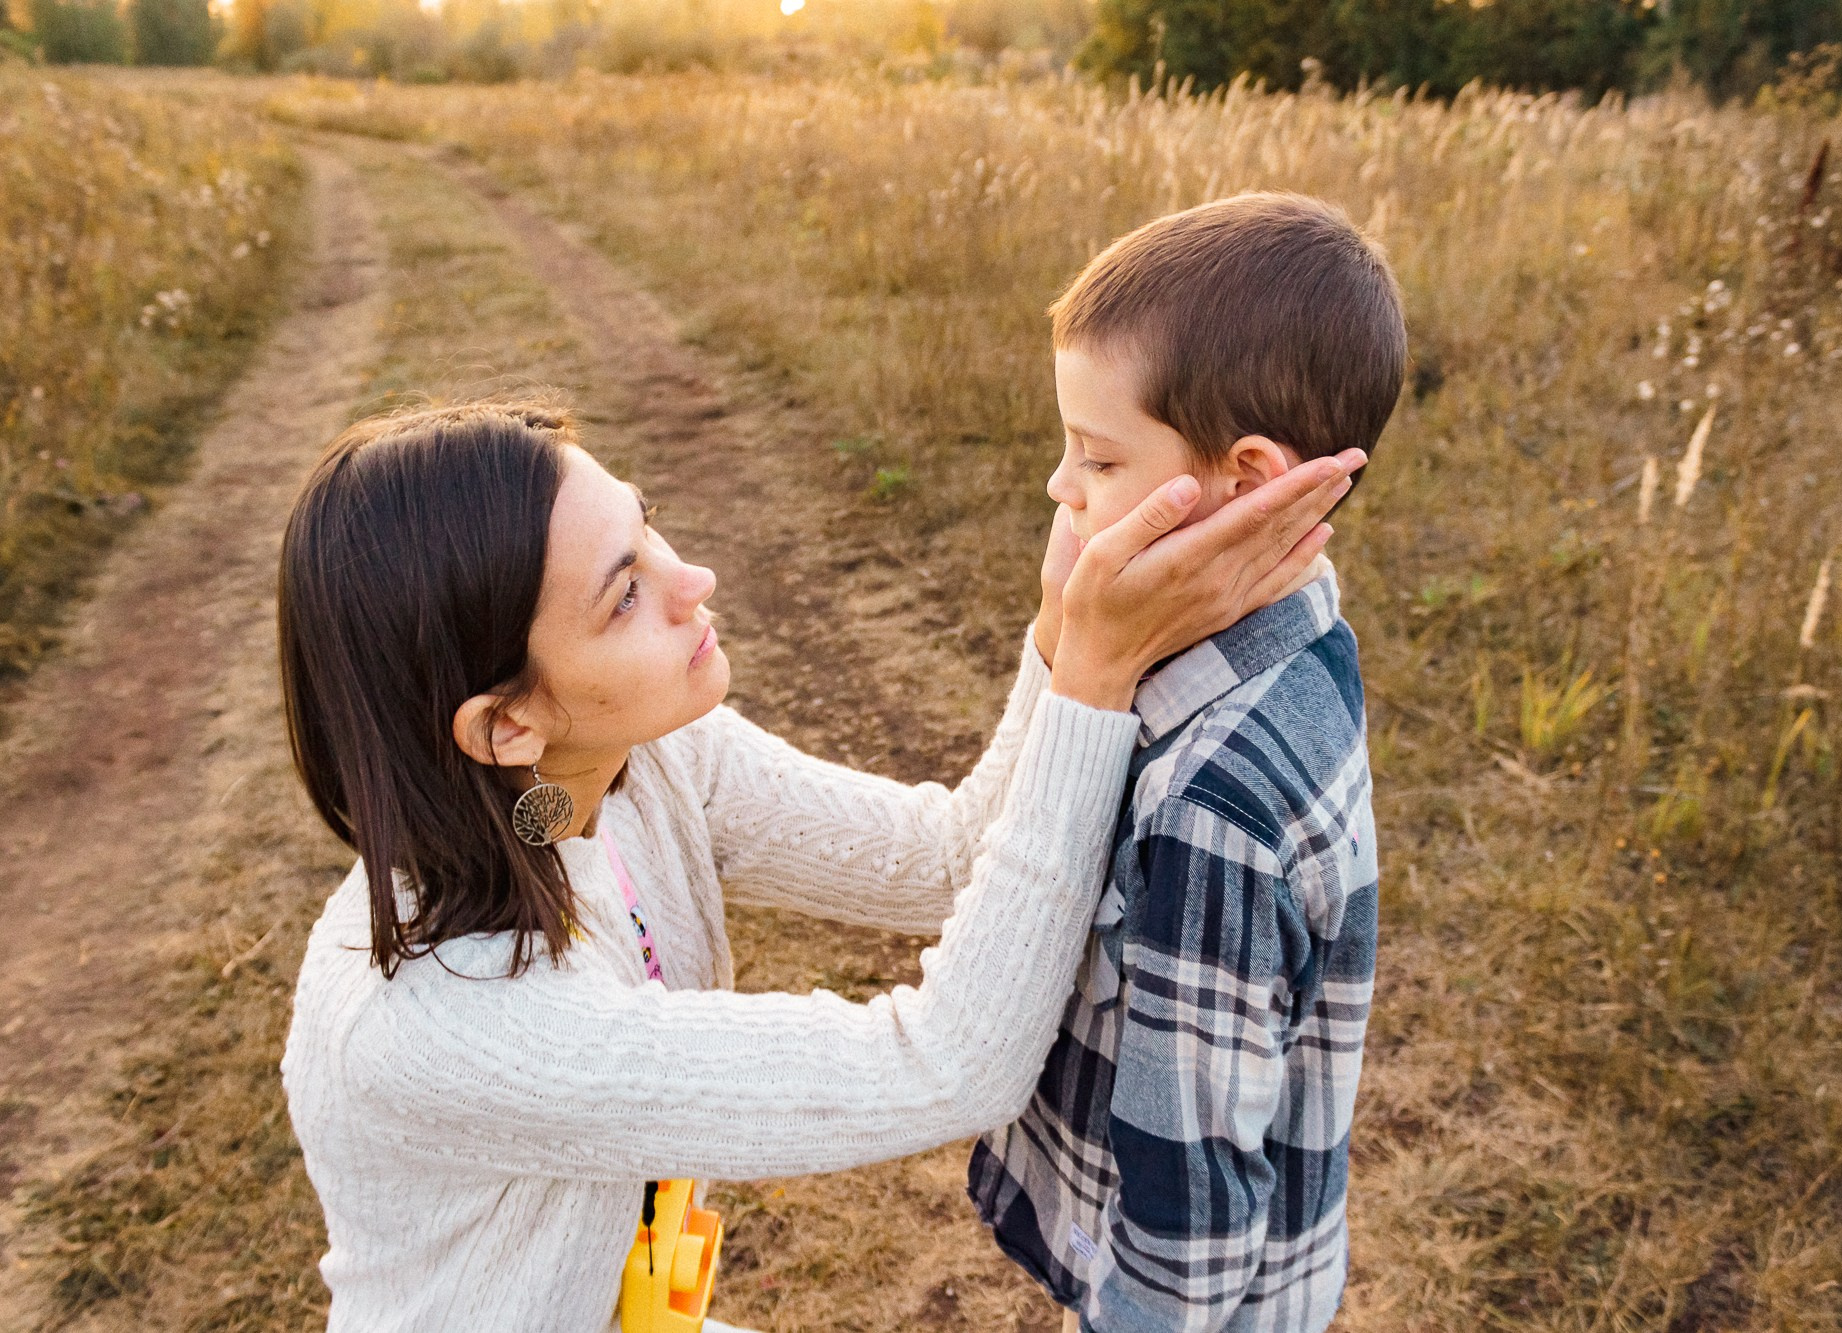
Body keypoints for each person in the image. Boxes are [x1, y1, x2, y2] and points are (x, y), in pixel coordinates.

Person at [274, 395, 1361, 1332]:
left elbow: (940, 857)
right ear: (506, 725)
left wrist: (1058, 620)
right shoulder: (443, 1019)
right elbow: (946, 1066)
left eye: (645, 525)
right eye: (623, 595)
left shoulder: (630, 768)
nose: (689, 578)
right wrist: (1095, 677)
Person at [967, 192, 1406, 1332]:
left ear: (1248, 484)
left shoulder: (1213, 810)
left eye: (1097, 459)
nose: (1059, 487)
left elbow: (1191, 1224)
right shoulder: (1291, 615)